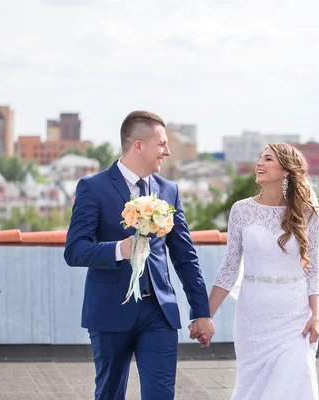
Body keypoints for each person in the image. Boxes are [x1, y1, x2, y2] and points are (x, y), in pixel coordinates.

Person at [64, 110, 215, 400]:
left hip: (159, 312)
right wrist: (117, 250)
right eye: (162, 144)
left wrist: (201, 312)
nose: (167, 152)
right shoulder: (93, 188)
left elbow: (185, 256)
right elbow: (74, 250)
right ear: (138, 146)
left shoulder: (169, 191)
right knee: (109, 394)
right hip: (110, 311)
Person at [201, 143, 319, 399]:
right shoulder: (241, 210)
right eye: (259, 158)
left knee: (297, 380)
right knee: (254, 388)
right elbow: (229, 268)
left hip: (295, 316)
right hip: (253, 315)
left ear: (285, 171)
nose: (259, 163)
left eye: (268, 159)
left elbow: (314, 269)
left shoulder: (306, 211)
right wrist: (205, 317)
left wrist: (316, 315)